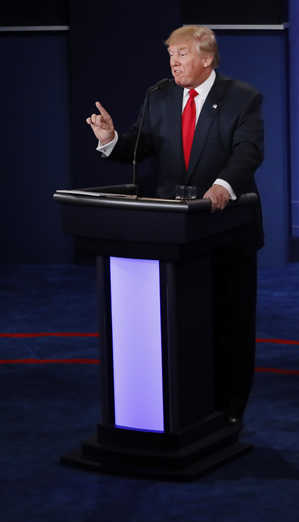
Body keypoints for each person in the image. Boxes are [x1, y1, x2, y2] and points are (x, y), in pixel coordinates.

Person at [85, 25, 264, 424]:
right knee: (182, 324)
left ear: (207, 58)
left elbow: (248, 151)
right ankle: (185, 406)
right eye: (171, 54)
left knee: (230, 323)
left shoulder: (242, 98)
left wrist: (222, 185)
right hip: (173, 235)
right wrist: (111, 139)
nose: (174, 62)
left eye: (182, 54)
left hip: (226, 229)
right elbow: (141, 146)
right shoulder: (159, 96)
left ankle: (230, 411)